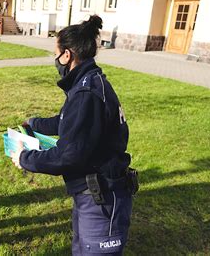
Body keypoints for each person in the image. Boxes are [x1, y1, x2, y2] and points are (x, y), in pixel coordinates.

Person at [11, 15, 135, 255]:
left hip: (102, 198)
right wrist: (35, 123)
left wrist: (25, 158)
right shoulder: (87, 83)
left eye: (56, 52)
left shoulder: (86, 93)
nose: (55, 59)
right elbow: (67, 122)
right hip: (91, 193)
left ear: (67, 55)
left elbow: (68, 155)